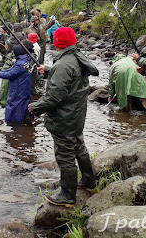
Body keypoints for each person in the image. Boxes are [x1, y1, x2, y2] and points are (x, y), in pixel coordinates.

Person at [29, 27, 99, 207]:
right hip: (76, 115)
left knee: (65, 155)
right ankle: (89, 183)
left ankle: (67, 196)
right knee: (79, 147)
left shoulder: (63, 64)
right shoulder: (76, 56)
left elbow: (54, 97)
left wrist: (35, 107)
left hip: (64, 118)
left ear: (57, 42)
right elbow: (71, 75)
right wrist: (49, 70)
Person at [0, 44, 33, 123]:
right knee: (22, 103)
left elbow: (10, 74)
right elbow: (11, 70)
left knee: (15, 105)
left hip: (18, 88)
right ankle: (24, 119)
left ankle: (14, 123)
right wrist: (0, 72)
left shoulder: (20, 64)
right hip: (24, 86)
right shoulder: (26, 60)